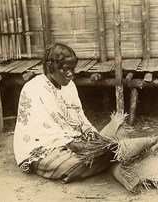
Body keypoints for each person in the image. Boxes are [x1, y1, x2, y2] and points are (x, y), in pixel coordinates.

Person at [13, 43, 114, 183]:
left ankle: (97, 161)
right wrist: (71, 143)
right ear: (50, 67)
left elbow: (79, 115)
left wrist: (91, 132)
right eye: (66, 69)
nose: (71, 74)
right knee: (70, 164)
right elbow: (42, 130)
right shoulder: (32, 89)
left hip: (70, 139)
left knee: (107, 149)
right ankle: (94, 164)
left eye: (73, 69)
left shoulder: (70, 86)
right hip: (44, 147)